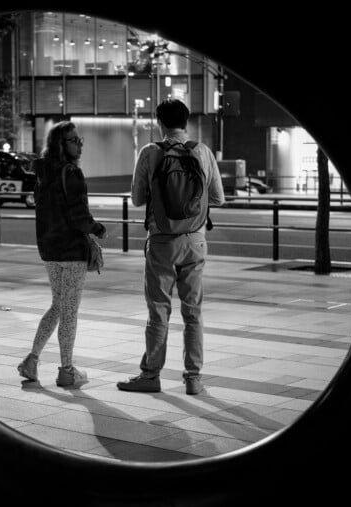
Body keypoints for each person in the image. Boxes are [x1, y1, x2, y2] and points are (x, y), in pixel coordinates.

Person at [117, 99, 225, 395]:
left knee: (159, 311)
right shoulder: (202, 152)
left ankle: (150, 375)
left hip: (162, 241)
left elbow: (138, 198)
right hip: (195, 241)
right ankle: (193, 378)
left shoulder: (151, 152)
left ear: (159, 122)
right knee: (193, 313)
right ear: (186, 121)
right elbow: (218, 198)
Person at [17, 121, 107, 387]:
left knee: (59, 305)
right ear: (61, 145)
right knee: (68, 310)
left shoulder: (43, 173)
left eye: (79, 139)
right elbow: (80, 217)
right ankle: (67, 370)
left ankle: (32, 360)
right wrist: (98, 229)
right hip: (70, 250)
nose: (80, 144)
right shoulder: (72, 173)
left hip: (49, 249)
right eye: (74, 140)